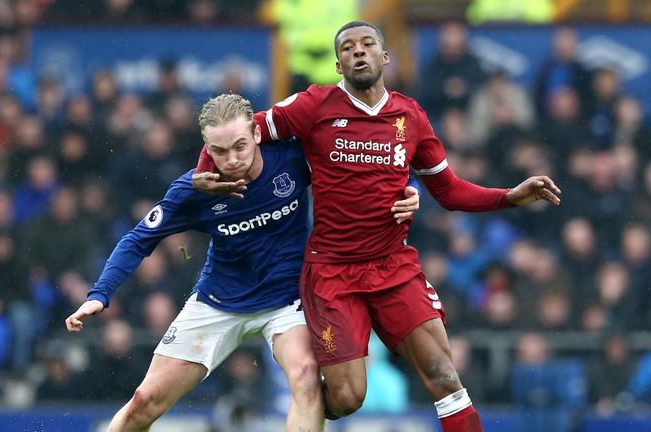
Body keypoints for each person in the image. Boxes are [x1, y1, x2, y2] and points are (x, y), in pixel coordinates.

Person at [193, 21, 561, 431]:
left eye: (368, 44)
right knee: (348, 398)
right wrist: (203, 172)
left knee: (443, 375)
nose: (359, 51)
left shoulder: (411, 116)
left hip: (392, 266)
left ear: (385, 57)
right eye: (348, 48)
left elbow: (450, 191)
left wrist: (509, 195)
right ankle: (305, 396)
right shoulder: (314, 105)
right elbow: (239, 132)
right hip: (333, 271)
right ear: (338, 64)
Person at [65, 93, 422, 432]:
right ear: (207, 149)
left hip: (289, 299)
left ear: (256, 132)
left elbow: (359, 170)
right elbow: (138, 239)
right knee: (146, 402)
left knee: (307, 378)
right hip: (220, 300)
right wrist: (100, 293)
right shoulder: (195, 189)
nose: (232, 159)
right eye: (220, 151)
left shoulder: (292, 157)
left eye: (240, 146)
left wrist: (406, 192)